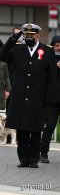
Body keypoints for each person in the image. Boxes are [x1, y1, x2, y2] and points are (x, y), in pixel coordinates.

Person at [0, 23, 57, 168]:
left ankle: (34, 159)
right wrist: (13, 38)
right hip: (20, 97)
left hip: (38, 97)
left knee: (36, 129)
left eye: (32, 35)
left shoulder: (47, 52)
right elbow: (2, 56)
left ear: (37, 35)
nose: (29, 37)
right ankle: (23, 159)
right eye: (26, 35)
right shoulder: (18, 49)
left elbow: (52, 78)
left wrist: (48, 100)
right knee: (22, 129)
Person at [40, 35, 60, 163]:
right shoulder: (47, 58)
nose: (59, 48)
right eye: (56, 45)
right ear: (52, 46)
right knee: (50, 127)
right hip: (52, 100)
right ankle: (43, 153)